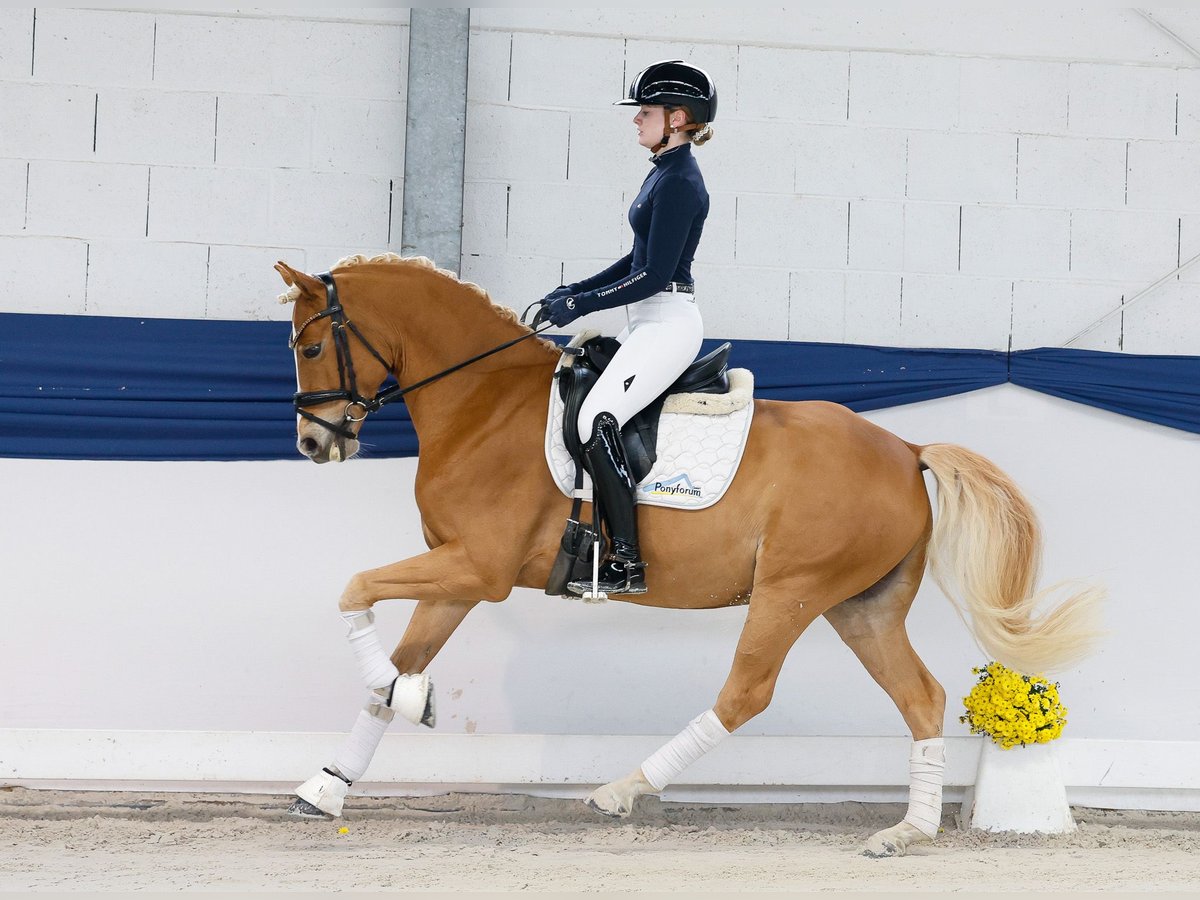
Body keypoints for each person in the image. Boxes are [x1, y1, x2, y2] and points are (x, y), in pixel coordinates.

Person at [536, 60, 717, 597]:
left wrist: (584, 304)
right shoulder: (663, 169)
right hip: (648, 320)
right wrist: (574, 291)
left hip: (669, 322)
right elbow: (634, 259)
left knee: (597, 418)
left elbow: (654, 275)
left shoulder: (681, 179)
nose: (637, 119)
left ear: (678, 117)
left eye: (647, 111)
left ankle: (627, 563)